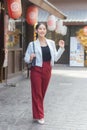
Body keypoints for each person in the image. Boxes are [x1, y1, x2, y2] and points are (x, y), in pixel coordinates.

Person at [24, 22, 65, 125]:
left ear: (46, 31)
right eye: (40, 29)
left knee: (42, 93)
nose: (42, 30)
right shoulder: (32, 44)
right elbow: (26, 59)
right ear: (36, 31)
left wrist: (61, 48)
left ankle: (36, 114)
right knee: (37, 93)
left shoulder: (51, 43)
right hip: (36, 70)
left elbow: (55, 57)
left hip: (47, 69)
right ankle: (40, 116)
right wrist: (30, 57)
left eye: (44, 29)